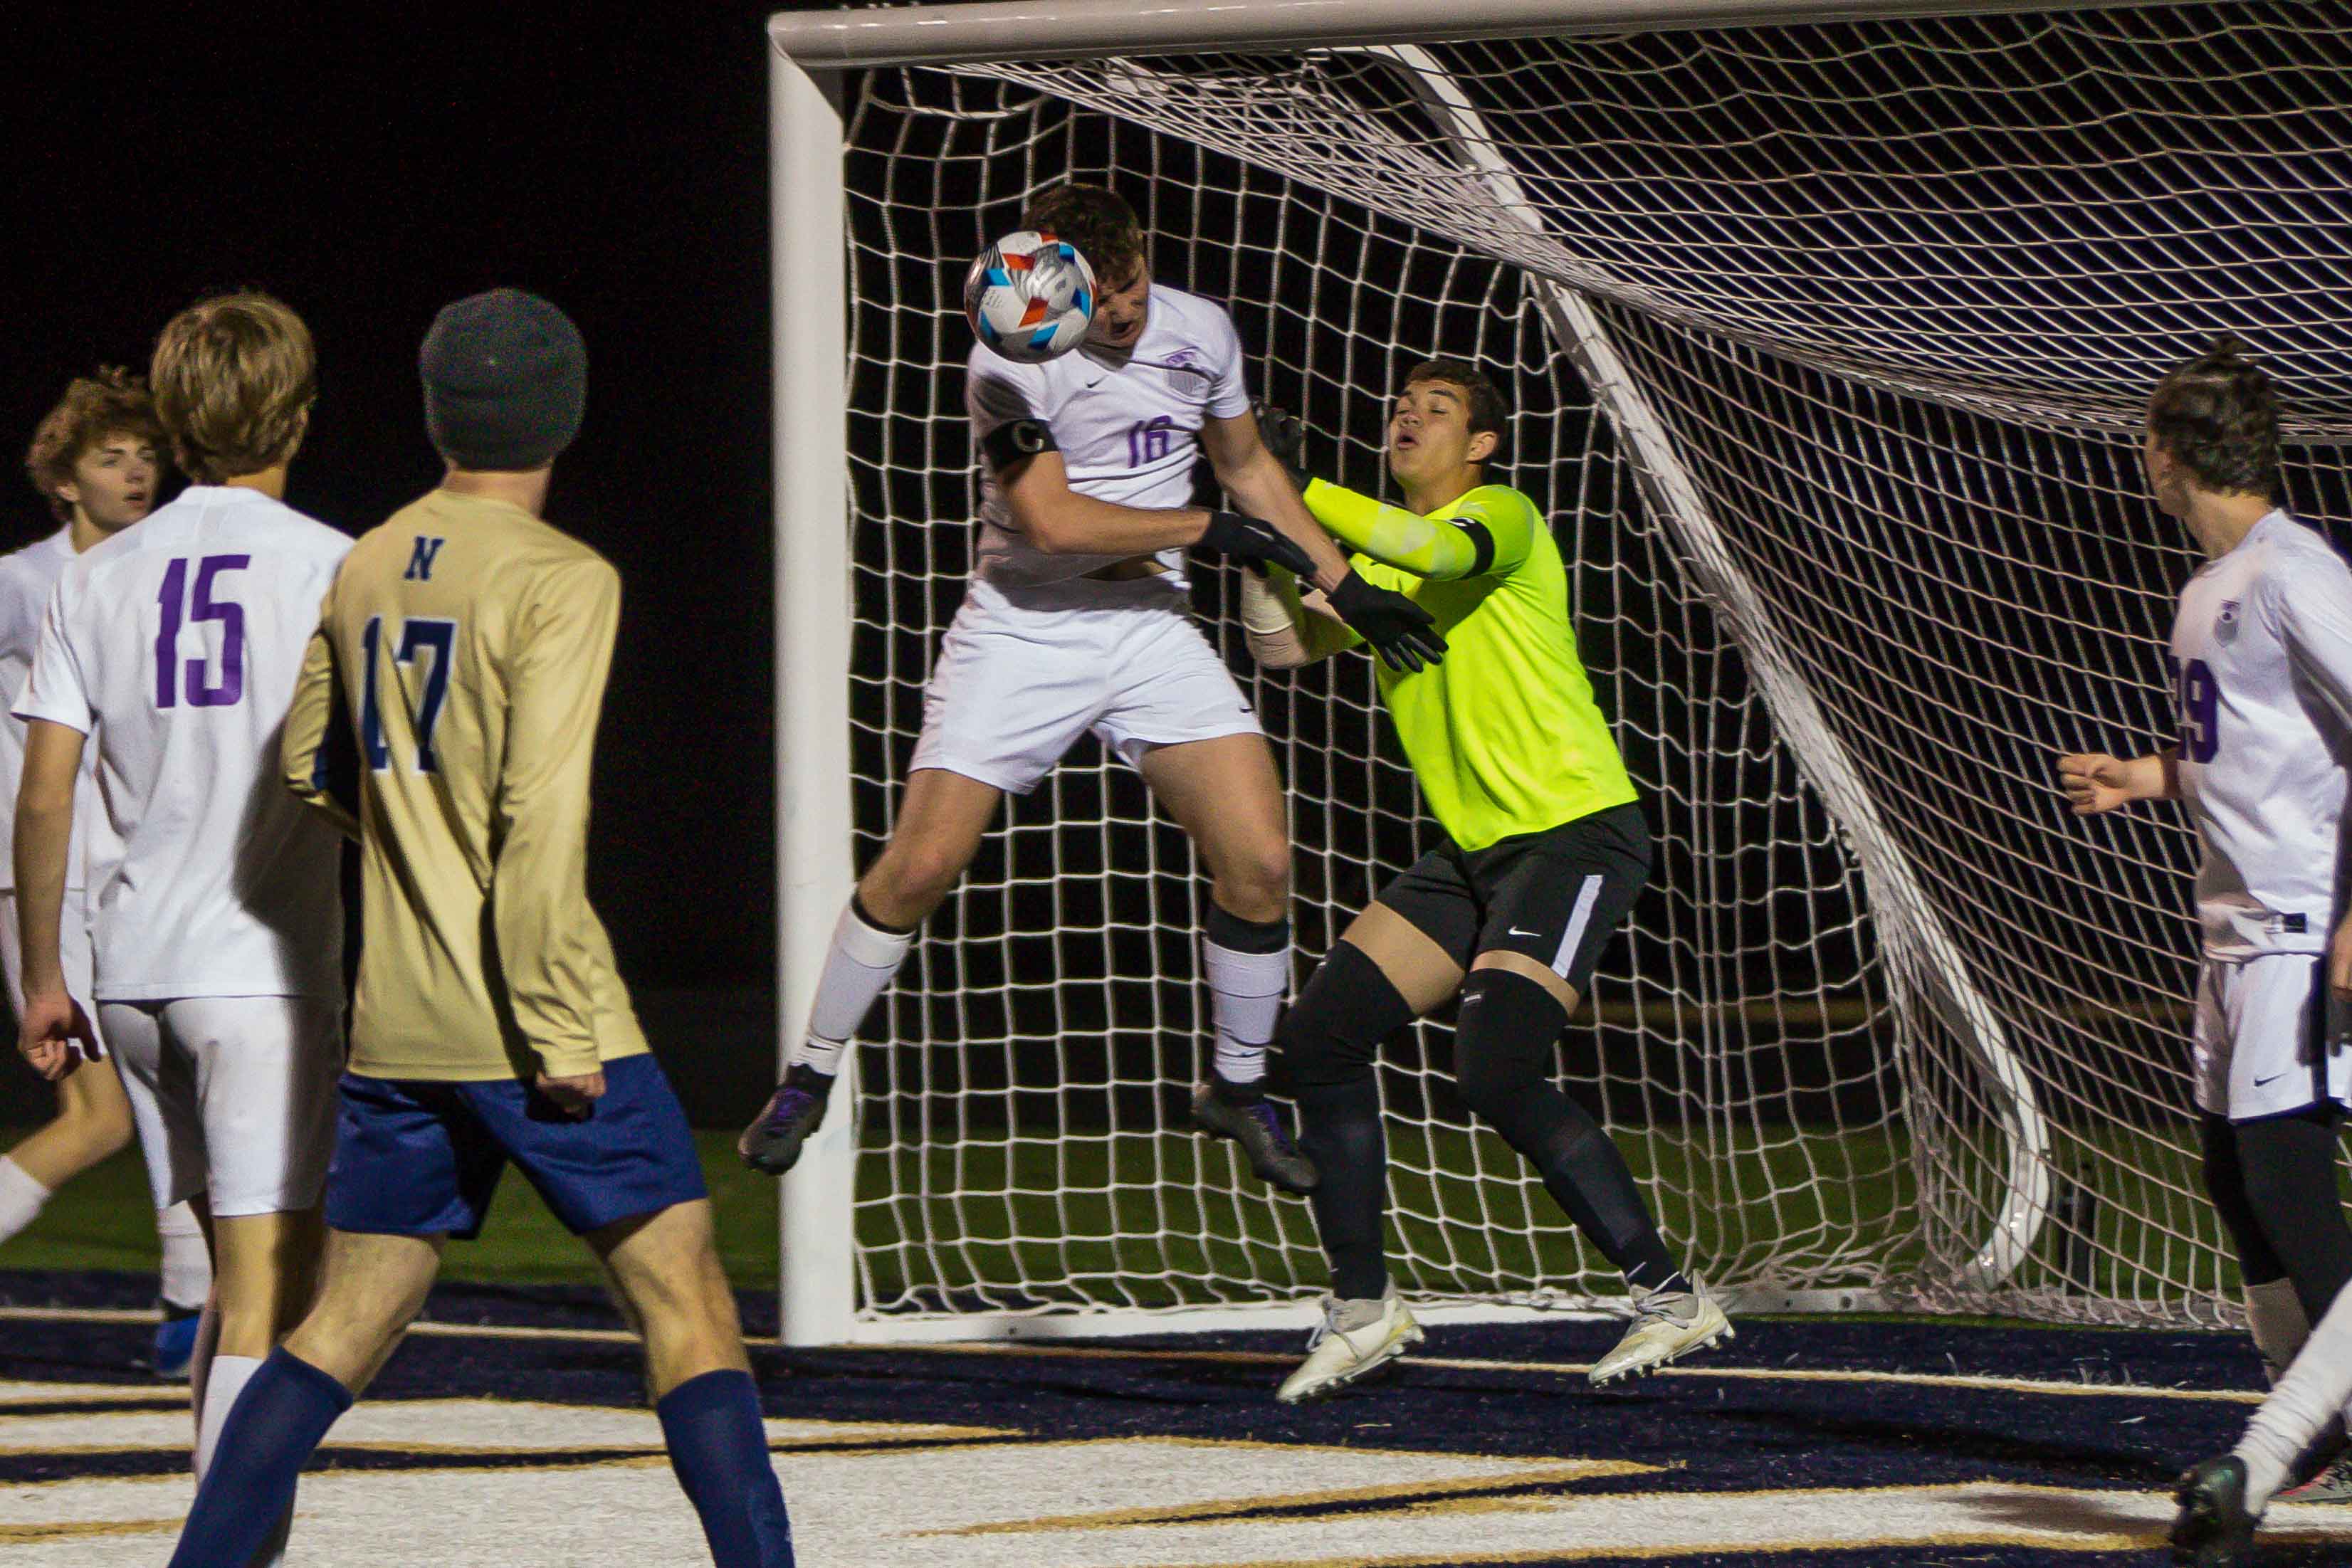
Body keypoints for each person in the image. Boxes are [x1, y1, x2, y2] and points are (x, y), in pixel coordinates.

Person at [168, 289, 793, 1568]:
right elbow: (539, 820)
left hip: (397, 1025)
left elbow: (307, 768)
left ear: (438, 408)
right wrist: (558, 1027)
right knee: (690, 1310)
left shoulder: (371, 553)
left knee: (344, 1327)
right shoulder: (566, 578)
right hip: (537, 1018)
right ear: (563, 415)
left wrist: (416, 845)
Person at [740, 182, 1442, 1192]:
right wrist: (1205, 530)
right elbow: (1055, 524)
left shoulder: (1202, 330)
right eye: (1100, 293)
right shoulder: (1011, 354)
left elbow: (1248, 471)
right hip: (1025, 630)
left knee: (1260, 859)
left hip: (1150, 631)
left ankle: (1238, 1089)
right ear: (1055, 276)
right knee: (920, 866)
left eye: (1133, 284)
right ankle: (810, 1072)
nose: (1121, 310)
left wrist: (1345, 583)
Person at [1238, 361, 1725, 1404]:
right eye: (1399, 402)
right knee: (1320, 1041)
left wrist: (1281, 484)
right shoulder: (1380, 571)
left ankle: (1669, 1295)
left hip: (1574, 834)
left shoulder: (1497, 517)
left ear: (1483, 446)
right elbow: (1280, 649)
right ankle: (1365, 1310)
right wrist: (1263, 539)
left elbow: (1419, 544)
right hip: (1471, 855)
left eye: (1439, 409)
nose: (1409, 414)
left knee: (1496, 1067)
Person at [14, 295, 350, 1540]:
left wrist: (48, 974)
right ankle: (225, 1550)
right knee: (273, 1300)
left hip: (131, 968)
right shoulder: (332, 561)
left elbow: (46, 790)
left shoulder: (97, 577)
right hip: (256, 974)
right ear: (300, 415)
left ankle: (229, 1532)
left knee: (228, 1286)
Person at [2058, 340, 2352, 1559]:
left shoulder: (2296, 571)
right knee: (2239, 1188)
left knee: (2286, 1182)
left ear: (2170, 453)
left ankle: (2296, 1431)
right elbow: (2265, 745)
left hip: (2299, 927)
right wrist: (2152, 774)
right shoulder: (2207, 587)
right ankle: (2322, 1427)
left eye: (2146, 435)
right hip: (2228, 938)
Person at [4, 368, 211, 1376]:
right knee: (98, 1116)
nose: (135, 474)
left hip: (136, 867)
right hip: (44, 876)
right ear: (63, 481)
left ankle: (188, 1313)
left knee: (175, 1085)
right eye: (110, 458)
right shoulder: (25, 581)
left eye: (146, 457)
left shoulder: (157, 576)